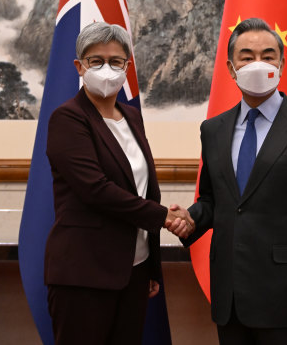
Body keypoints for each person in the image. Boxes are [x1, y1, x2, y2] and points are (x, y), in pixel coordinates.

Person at [170, 18, 287, 345]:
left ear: (282, 64)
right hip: (230, 296)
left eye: (268, 55)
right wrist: (190, 219)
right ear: (231, 68)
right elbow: (214, 199)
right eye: (247, 57)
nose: (258, 63)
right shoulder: (213, 130)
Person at [45, 21, 194, 345]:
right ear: (79, 66)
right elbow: (95, 190)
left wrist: (150, 266)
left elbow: (142, 188)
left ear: (128, 66)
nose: (106, 69)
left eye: (116, 61)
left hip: (134, 270)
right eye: (96, 61)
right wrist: (165, 217)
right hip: (84, 273)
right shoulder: (67, 118)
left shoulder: (131, 117)